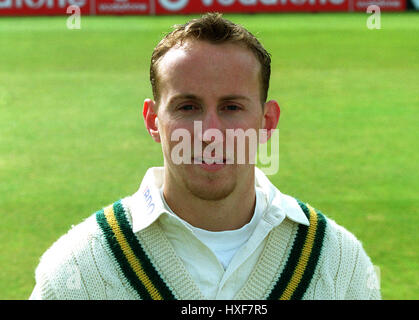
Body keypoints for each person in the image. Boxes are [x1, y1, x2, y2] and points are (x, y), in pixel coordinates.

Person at [30, 13, 381, 300]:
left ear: (266, 121)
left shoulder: (338, 262)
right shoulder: (76, 270)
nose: (210, 131)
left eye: (231, 107)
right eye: (188, 106)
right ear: (154, 121)